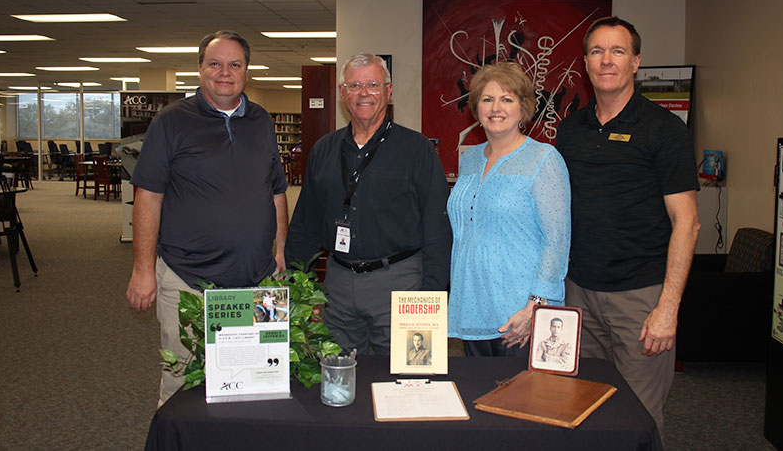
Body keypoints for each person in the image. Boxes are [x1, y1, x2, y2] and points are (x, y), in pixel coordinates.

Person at [125, 30, 289, 406]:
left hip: (256, 280)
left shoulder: (262, 120)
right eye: (215, 64)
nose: (224, 73)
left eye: (235, 65)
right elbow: (148, 197)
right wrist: (142, 268)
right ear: (200, 69)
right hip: (187, 278)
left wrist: (280, 249)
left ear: (247, 71)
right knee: (183, 377)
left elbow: (276, 190)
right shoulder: (170, 122)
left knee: (254, 377)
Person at [555, 16, 700, 439]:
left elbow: (687, 222)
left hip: (640, 299)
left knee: (638, 419)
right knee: (583, 405)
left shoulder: (664, 129)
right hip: (579, 291)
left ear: (636, 62)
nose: (607, 61)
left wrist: (668, 308)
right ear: (585, 63)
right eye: (597, 52)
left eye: (617, 51)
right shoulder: (571, 129)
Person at [285, 53, 452, 356]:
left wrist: (432, 296)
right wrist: (303, 291)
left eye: (373, 84)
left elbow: (437, 228)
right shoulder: (324, 150)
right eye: (355, 85)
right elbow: (304, 226)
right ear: (342, 93)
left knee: (409, 376)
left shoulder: (417, 150)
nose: (364, 93)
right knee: (338, 380)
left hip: (402, 282)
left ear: (388, 91)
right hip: (337, 287)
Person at [447, 62, 571, 357]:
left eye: (507, 99)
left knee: (524, 400)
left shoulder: (543, 159)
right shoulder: (471, 159)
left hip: (520, 315)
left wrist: (535, 306)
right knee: (477, 395)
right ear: (476, 107)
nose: (495, 107)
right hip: (473, 307)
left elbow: (557, 239)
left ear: (523, 107)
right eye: (487, 99)